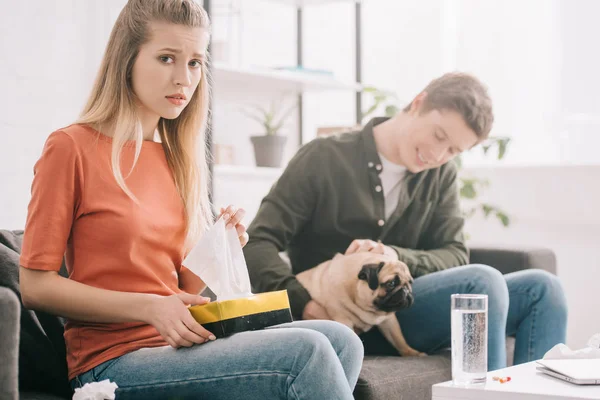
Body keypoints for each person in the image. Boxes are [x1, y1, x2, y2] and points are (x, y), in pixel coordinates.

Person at [18, 1, 363, 399]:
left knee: (341, 339)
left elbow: (183, 287)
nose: (184, 78)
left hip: (181, 343)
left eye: (196, 62)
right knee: (309, 351)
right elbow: (35, 286)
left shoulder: (176, 157)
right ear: (127, 59)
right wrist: (149, 307)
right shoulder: (71, 147)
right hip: (112, 360)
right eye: (167, 58)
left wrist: (219, 246)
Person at [244, 72, 568, 371]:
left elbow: (454, 253)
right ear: (417, 103)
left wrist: (396, 256)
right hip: (342, 313)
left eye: (453, 150)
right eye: (439, 136)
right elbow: (257, 242)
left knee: (545, 289)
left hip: (404, 308)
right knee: (481, 283)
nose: (439, 156)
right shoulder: (324, 158)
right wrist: (306, 304)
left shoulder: (440, 174)